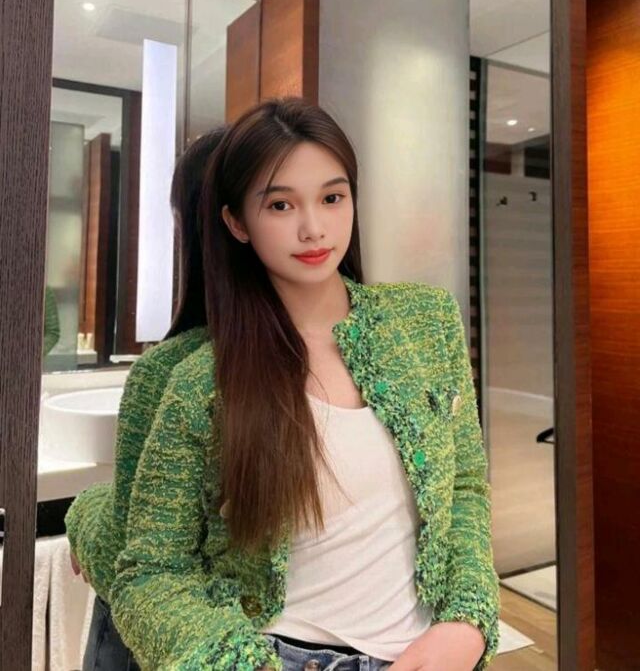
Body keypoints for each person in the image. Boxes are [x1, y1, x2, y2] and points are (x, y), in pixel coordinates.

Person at [109, 98, 501, 671]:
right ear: (237, 223)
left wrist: (467, 622)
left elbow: (464, 486)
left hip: (432, 652)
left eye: (332, 198)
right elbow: (150, 574)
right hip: (272, 656)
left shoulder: (425, 322)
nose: (314, 227)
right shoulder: (201, 383)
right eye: (280, 204)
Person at [65, 126, 228, 671]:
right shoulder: (347, 355)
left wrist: (85, 512)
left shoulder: (172, 372)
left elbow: (130, 555)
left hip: (180, 641)